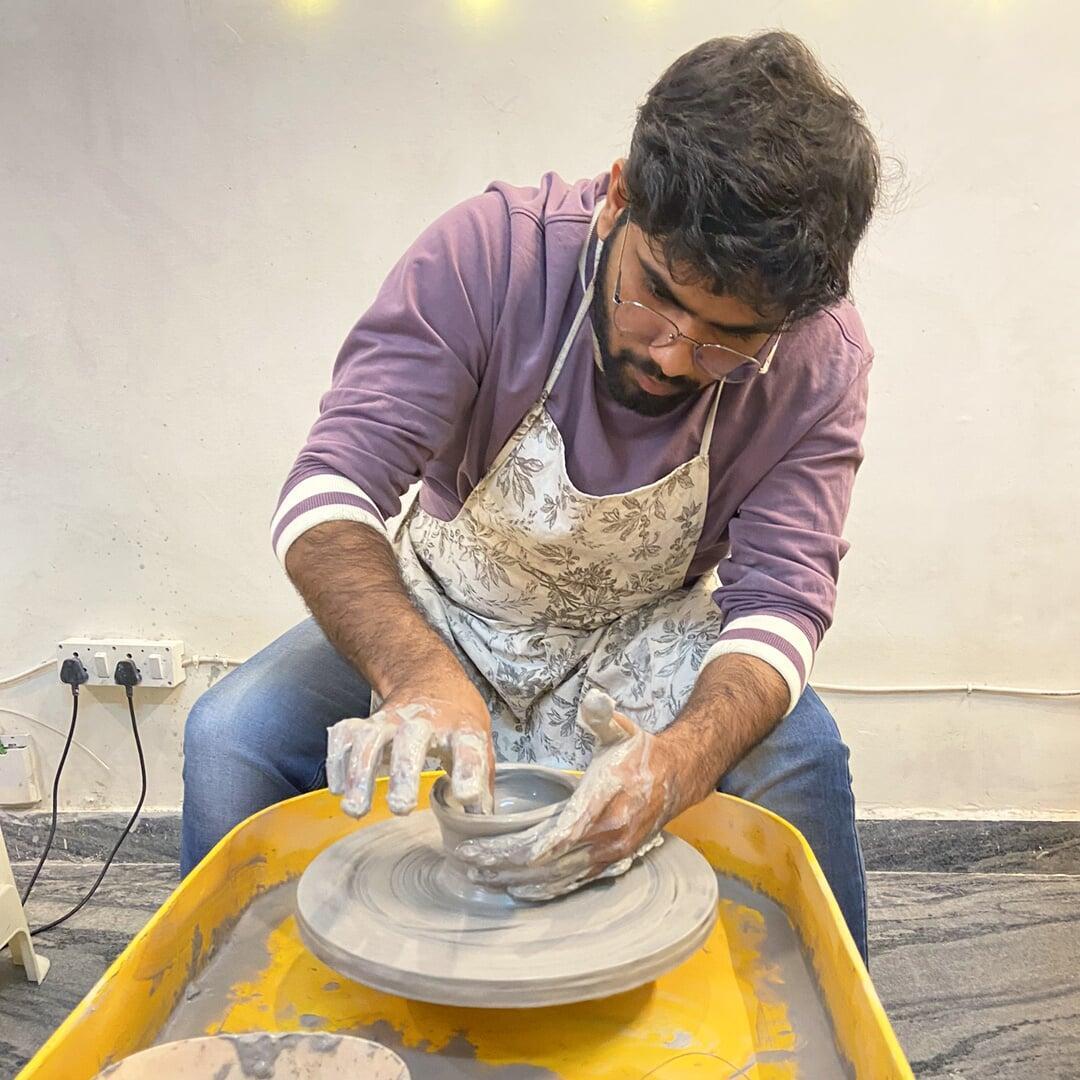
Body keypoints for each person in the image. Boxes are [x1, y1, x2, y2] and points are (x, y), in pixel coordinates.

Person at [182, 30, 880, 961]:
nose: (675, 354)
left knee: (804, 762)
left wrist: (678, 765)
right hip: (448, 610)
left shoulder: (819, 357)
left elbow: (782, 603)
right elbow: (327, 493)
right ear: (619, 197)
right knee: (232, 734)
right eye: (656, 296)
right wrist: (419, 677)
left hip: (643, 636)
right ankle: (235, 1012)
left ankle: (821, 1027)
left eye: (729, 338)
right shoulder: (492, 255)